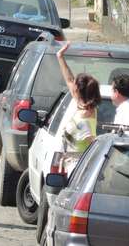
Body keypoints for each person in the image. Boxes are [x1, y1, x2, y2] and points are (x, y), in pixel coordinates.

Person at [55, 42, 100, 174]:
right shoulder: (82, 104)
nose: (72, 85)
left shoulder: (85, 118)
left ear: (79, 91)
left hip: (78, 168)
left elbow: (92, 142)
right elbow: (69, 79)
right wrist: (60, 56)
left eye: (75, 86)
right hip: (70, 164)